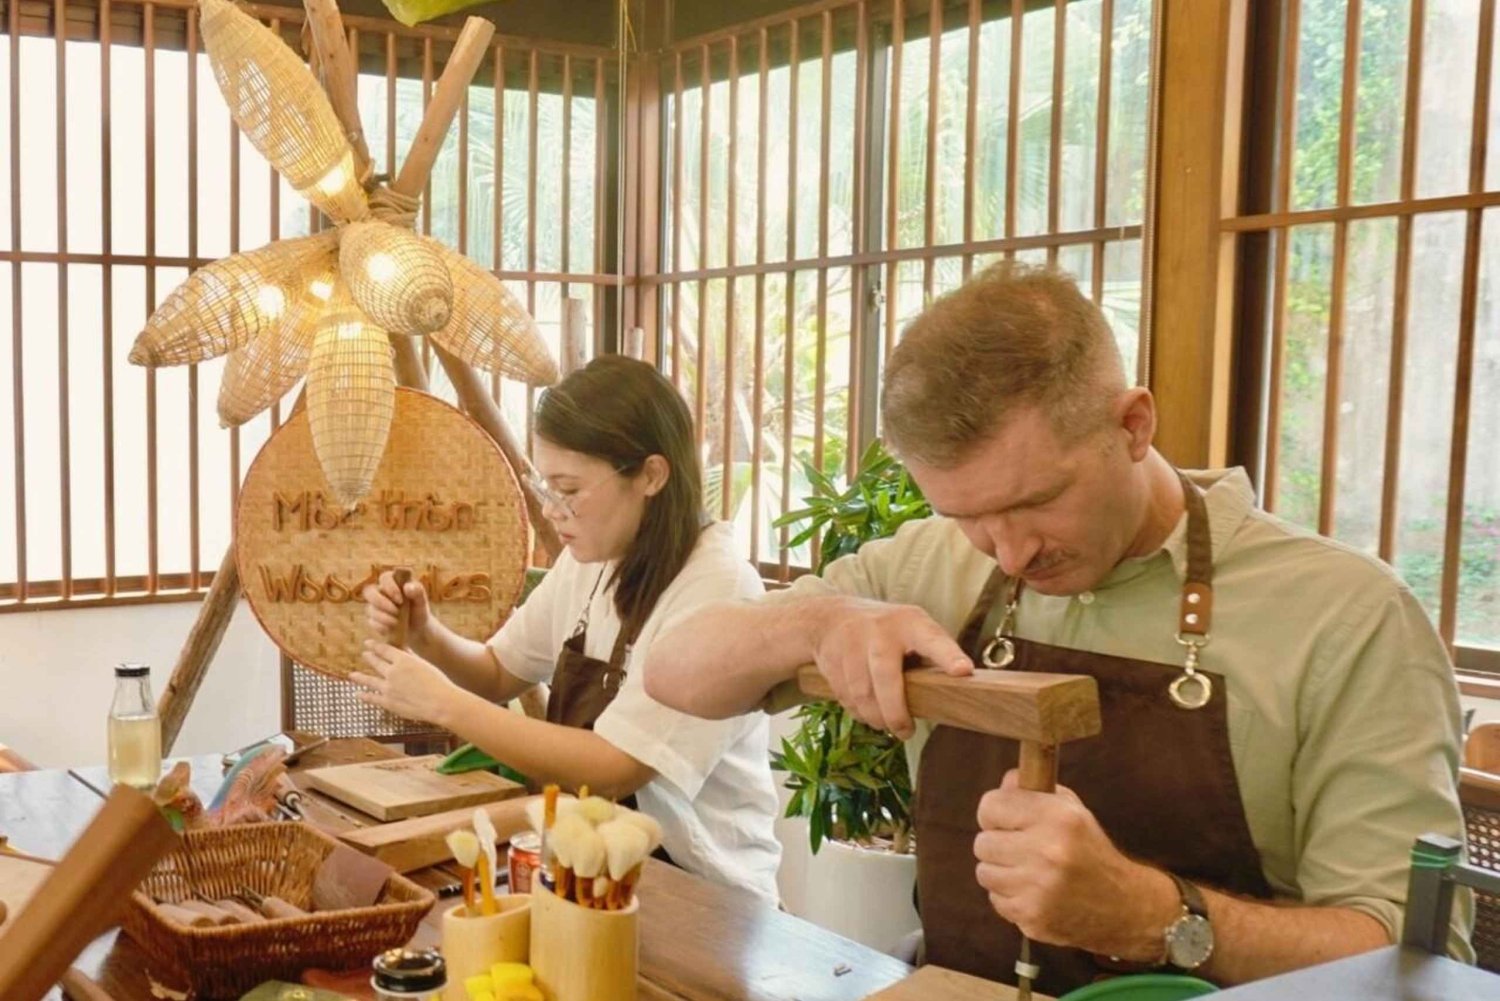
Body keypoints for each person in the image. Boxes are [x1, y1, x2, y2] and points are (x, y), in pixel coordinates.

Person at [643, 262, 1472, 992]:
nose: (1010, 550)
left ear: (1133, 424)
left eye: (1038, 501)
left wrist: (1155, 916)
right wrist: (821, 619)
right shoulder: (934, 568)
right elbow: (675, 669)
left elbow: (1412, 959)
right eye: (969, 514)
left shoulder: (1347, 617)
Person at [355, 355, 781, 902]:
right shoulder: (592, 560)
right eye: (547, 488)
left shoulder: (716, 589)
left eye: (570, 490)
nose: (554, 511)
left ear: (651, 475)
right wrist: (428, 635)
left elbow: (616, 768)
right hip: (591, 865)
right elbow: (496, 673)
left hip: (704, 892)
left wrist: (444, 705)